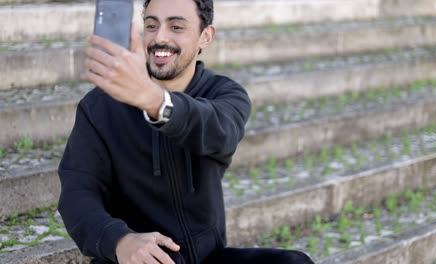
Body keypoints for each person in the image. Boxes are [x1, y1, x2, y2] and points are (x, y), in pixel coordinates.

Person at [58, 0, 315, 263]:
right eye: (151, 25)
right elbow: (77, 195)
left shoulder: (224, 95)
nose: (160, 37)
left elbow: (218, 133)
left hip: (207, 257)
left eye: (176, 26)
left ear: (205, 36)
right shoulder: (99, 107)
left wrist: (154, 100)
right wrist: (120, 241)